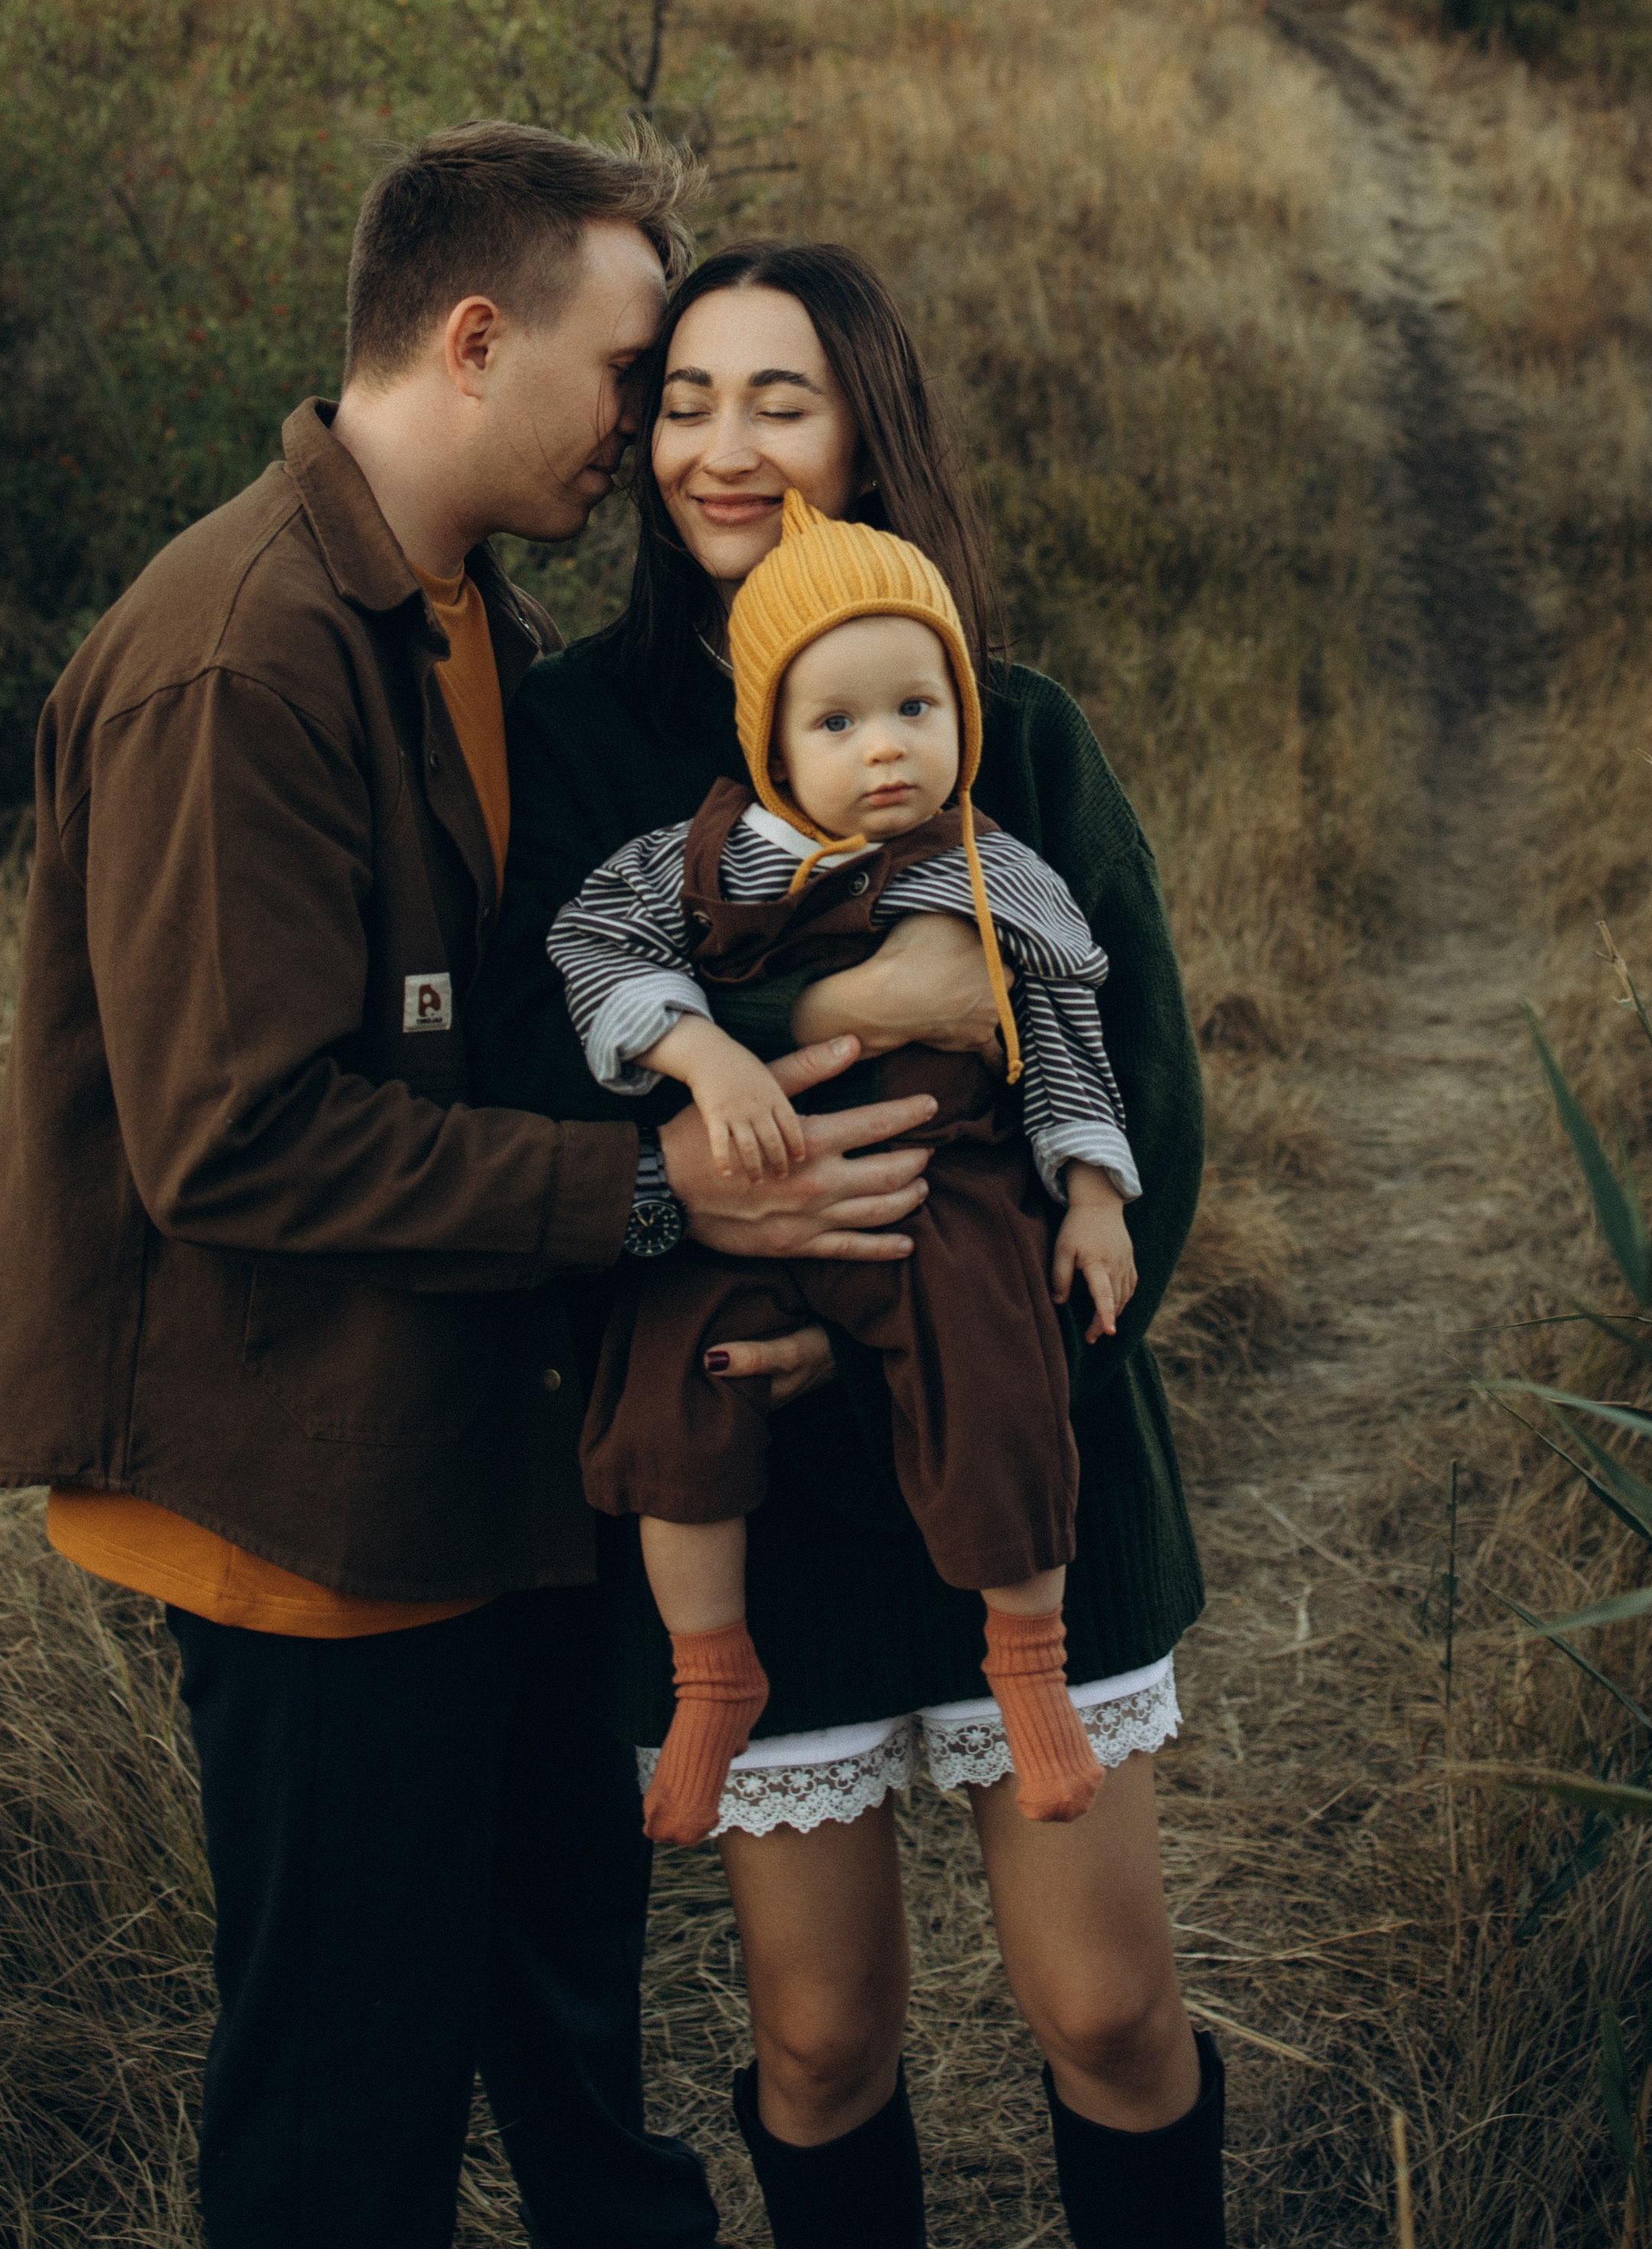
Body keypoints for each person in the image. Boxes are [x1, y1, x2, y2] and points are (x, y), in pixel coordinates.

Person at [0, 128, 947, 2249]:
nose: (652, 428)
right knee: (344, 2116)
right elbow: (241, 1138)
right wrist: (670, 1202)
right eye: (626, 371)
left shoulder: (457, 621)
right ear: (476, 339)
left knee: (580, 2064)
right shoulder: (241, 650)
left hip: (482, 1478)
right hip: (308, 1517)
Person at [476, 242, 1226, 2249]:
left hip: (1015, 1427)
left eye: (780, 400)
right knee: (818, 2040)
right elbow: (543, 1090)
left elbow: (1142, 1096)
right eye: (689, 401)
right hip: (743, 1462)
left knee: (1108, 2004)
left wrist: (961, 1276)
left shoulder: (1011, 734)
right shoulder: (585, 742)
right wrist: (833, 1025)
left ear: (866, 426)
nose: (724, 448)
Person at [549, 491, 1144, 1842]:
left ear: (960, 719)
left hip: (953, 1192)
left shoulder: (991, 872)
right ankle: (713, 1671)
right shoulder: (688, 864)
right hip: (744, 1211)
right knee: (665, 1390)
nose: (884, 752)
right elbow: (589, 955)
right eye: (837, 722)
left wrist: (1095, 1190)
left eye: (914, 712)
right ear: (769, 736)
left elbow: (1065, 1030)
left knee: (999, 1368)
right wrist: (702, 1057)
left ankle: (1028, 1663)